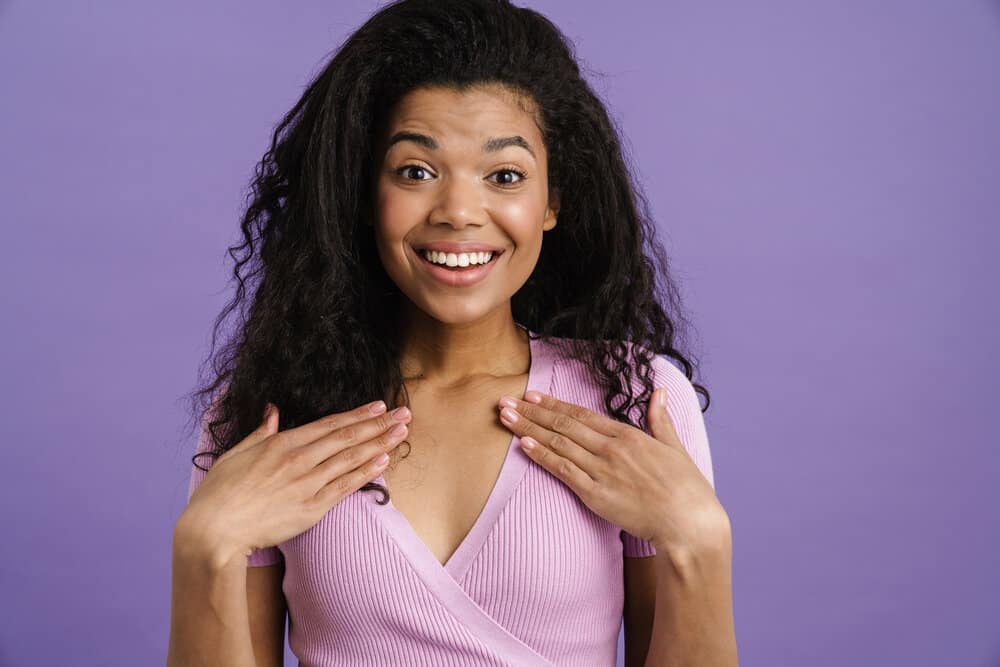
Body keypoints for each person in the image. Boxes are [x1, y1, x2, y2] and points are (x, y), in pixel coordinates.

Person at [168, 0, 737, 665]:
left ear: (552, 201)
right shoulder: (271, 408)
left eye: (505, 176)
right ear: (363, 192)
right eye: (416, 171)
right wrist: (203, 545)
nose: (460, 212)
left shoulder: (635, 397)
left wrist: (700, 538)